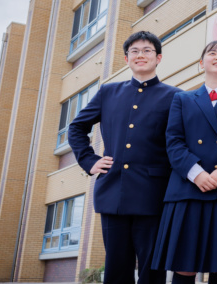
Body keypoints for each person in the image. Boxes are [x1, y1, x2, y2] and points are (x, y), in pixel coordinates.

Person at [69, 31, 179, 284]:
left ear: (159, 57)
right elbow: (76, 128)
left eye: (147, 50)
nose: (141, 55)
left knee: (153, 269)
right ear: (126, 58)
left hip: (154, 194)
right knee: (117, 267)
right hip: (113, 190)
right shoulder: (108, 92)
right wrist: (89, 160)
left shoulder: (175, 96)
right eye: (134, 51)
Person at [151, 40, 217, 284]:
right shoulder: (182, 99)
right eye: (212, 53)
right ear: (201, 64)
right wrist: (196, 173)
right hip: (188, 188)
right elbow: (173, 141)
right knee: (184, 266)